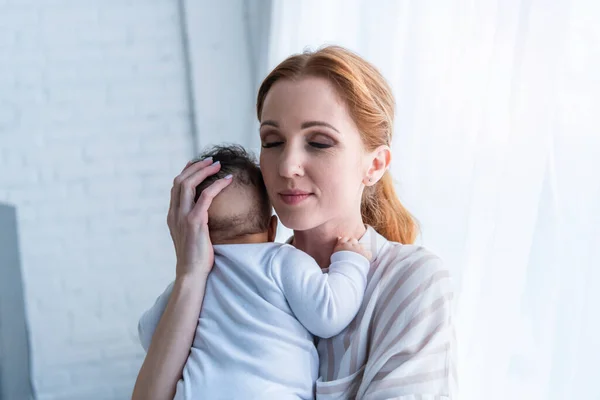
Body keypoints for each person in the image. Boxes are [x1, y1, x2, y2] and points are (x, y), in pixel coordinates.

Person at [133, 45, 456, 400]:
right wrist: (190, 276)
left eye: (318, 142)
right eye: (272, 142)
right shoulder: (236, 277)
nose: (287, 167)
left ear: (375, 165)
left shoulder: (411, 283)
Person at [137, 144, 372, 399]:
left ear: (192, 234)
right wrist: (350, 261)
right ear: (272, 229)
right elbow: (329, 314)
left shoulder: (189, 284)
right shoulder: (280, 259)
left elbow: (149, 334)